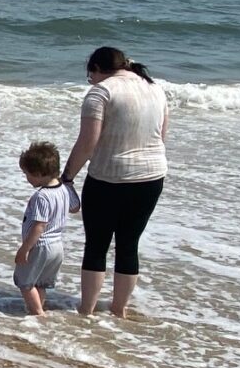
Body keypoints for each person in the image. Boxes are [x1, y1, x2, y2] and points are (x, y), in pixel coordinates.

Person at [59, 46, 168, 317]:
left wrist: (67, 177)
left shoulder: (102, 92)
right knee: (129, 244)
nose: (91, 81)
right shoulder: (155, 88)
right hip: (152, 176)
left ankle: (87, 310)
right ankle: (119, 309)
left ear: (97, 69)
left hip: (109, 177)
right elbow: (161, 135)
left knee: (97, 245)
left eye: (90, 76)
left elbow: (88, 142)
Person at [13, 140, 80, 316]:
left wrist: (24, 249)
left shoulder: (41, 196)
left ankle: (38, 314)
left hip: (41, 246)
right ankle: (38, 310)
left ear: (38, 173)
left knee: (25, 283)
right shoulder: (63, 189)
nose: (27, 178)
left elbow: (39, 226)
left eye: (27, 174)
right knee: (40, 283)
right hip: (57, 246)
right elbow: (75, 207)